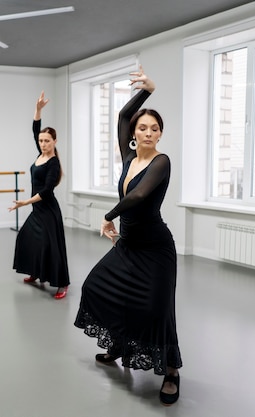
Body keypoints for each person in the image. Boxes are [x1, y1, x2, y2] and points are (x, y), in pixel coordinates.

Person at [73, 69, 182, 405]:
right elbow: (122, 115)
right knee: (97, 287)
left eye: (154, 128)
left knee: (157, 309)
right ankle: (119, 344)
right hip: (128, 245)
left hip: (155, 248)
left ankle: (171, 372)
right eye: (142, 127)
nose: (148, 132)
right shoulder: (129, 158)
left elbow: (136, 198)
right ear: (135, 134)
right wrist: (147, 91)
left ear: (160, 134)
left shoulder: (161, 162)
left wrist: (107, 217)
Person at [9, 91, 70, 300]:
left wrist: (25, 201)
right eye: (41, 141)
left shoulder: (53, 163)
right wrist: (38, 110)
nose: (43, 144)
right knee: (27, 238)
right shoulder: (40, 154)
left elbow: (45, 192)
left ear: (55, 141)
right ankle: (36, 272)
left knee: (50, 246)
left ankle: (62, 283)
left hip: (48, 210)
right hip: (37, 209)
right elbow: (35, 129)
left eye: (47, 141)